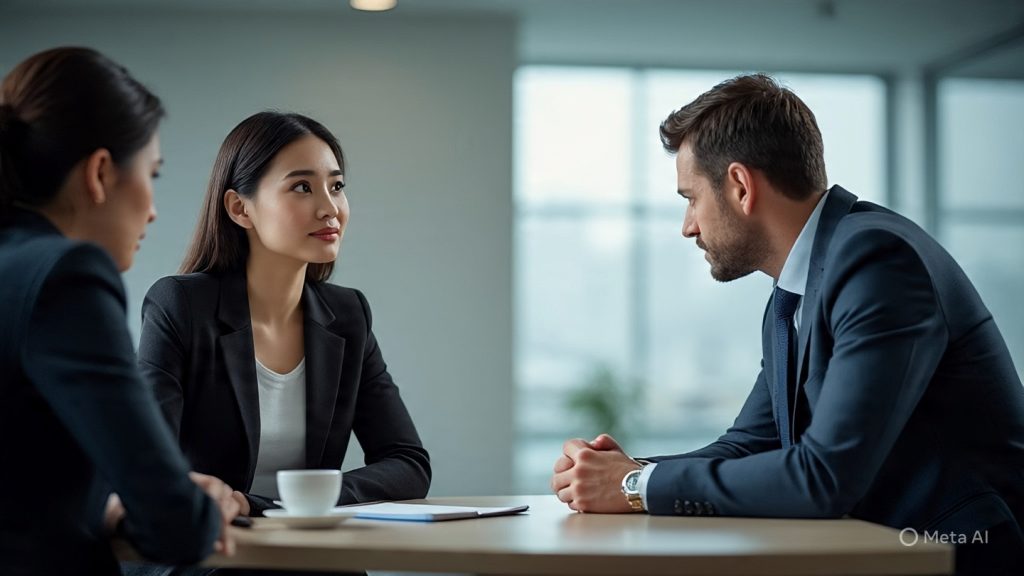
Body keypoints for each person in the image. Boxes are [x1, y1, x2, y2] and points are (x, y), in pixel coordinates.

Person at [550, 74, 1024, 575]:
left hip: (965, 555)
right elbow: (751, 444)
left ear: (739, 186)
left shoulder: (877, 261)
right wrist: (625, 472)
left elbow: (824, 476)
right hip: (894, 550)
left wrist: (630, 488)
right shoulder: (796, 290)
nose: (687, 225)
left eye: (690, 198)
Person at [0, 47, 240, 576]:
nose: (153, 207)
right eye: (151, 174)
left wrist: (110, 504)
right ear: (101, 172)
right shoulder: (67, 276)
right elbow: (175, 525)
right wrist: (192, 503)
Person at [137, 111, 431, 520]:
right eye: (302, 187)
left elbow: (408, 464)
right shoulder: (181, 305)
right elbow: (145, 459)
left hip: (308, 554)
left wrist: (283, 504)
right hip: (208, 556)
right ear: (240, 208)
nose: (330, 209)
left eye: (337, 186)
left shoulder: (348, 315)